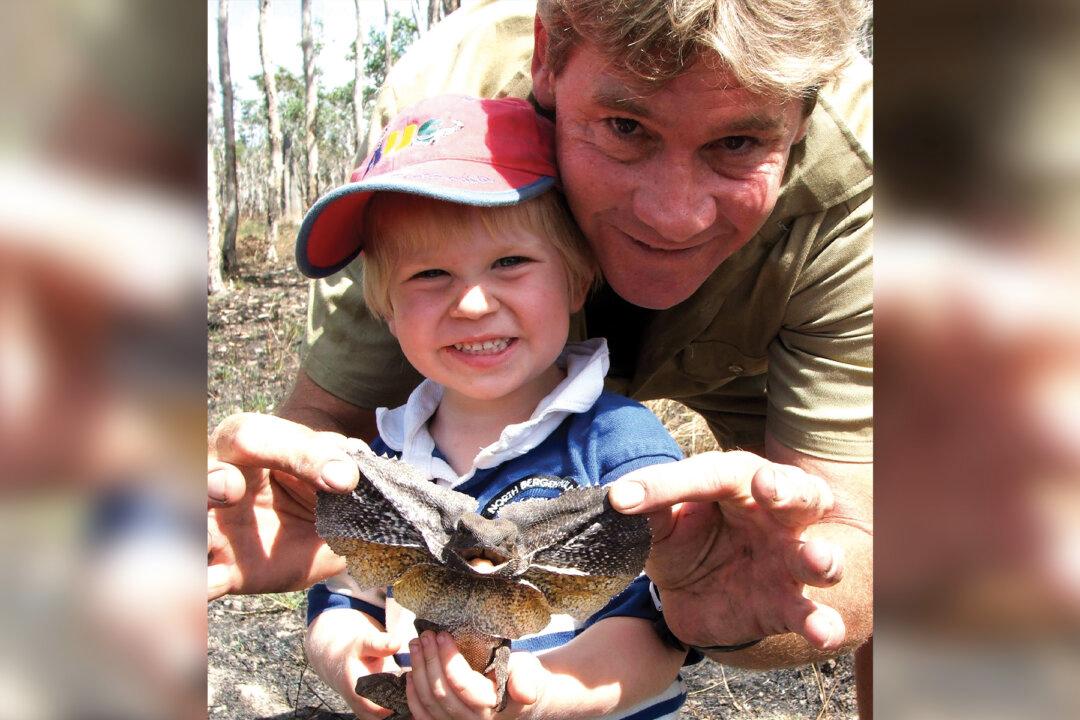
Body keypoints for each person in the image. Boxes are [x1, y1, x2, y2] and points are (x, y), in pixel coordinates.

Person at [208, 0, 872, 688]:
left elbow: (861, 535)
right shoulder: (445, 104)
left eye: (736, 144)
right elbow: (321, 436)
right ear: (547, 55)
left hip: (759, 332)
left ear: (803, 113)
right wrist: (295, 503)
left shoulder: (867, 167)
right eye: (625, 126)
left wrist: (726, 611)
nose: (675, 215)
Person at [299, 94, 689, 719]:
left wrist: (534, 699)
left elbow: (660, 629)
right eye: (429, 275)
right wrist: (351, 659)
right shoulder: (379, 460)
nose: (474, 304)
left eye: (510, 262)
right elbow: (342, 597)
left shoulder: (618, 443)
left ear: (575, 277)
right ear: (386, 311)